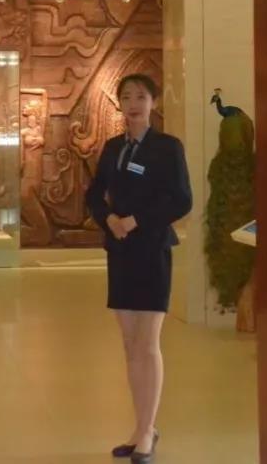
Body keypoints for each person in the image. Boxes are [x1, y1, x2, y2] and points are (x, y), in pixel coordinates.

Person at [85, 73, 192, 463]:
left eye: (141, 96)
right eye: (127, 96)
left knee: (148, 344)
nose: (133, 104)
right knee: (130, 345)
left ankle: (148, 431)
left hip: (151, 250)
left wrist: (137, 220)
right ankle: (141, 426)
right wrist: (109, 219)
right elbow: (94, 194)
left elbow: (181, 199)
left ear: (154, 102)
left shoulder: (167, 147)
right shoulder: (114, 147)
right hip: (120, 251)